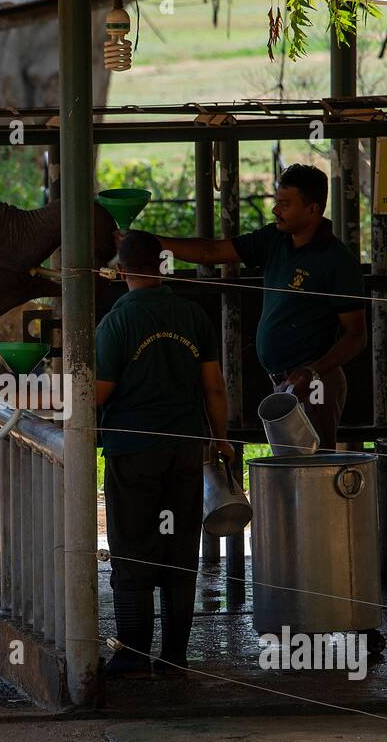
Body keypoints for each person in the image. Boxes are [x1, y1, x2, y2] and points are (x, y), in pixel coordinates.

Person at [96, 231, 236, 677]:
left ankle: (133, 653)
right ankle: (175, 654)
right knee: (179, 549)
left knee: (132, 545)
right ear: (163, 266)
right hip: (184, 449)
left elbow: (99, 391)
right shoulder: (192, 314)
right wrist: (220, 437)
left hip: (133, 451)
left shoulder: (116, 323)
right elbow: (213, 384)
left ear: (121, 273)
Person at [155, 163, 367, 450]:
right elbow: (212, 251)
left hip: (315, 384)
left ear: (313, 209)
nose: (275, 211)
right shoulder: (274, 240)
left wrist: (312, 371)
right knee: (291, 465)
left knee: (316, 464)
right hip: (284, 379)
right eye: (276, 202)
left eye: (285, 204)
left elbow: (356, 335)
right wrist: (154, 243)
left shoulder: (337, 261)